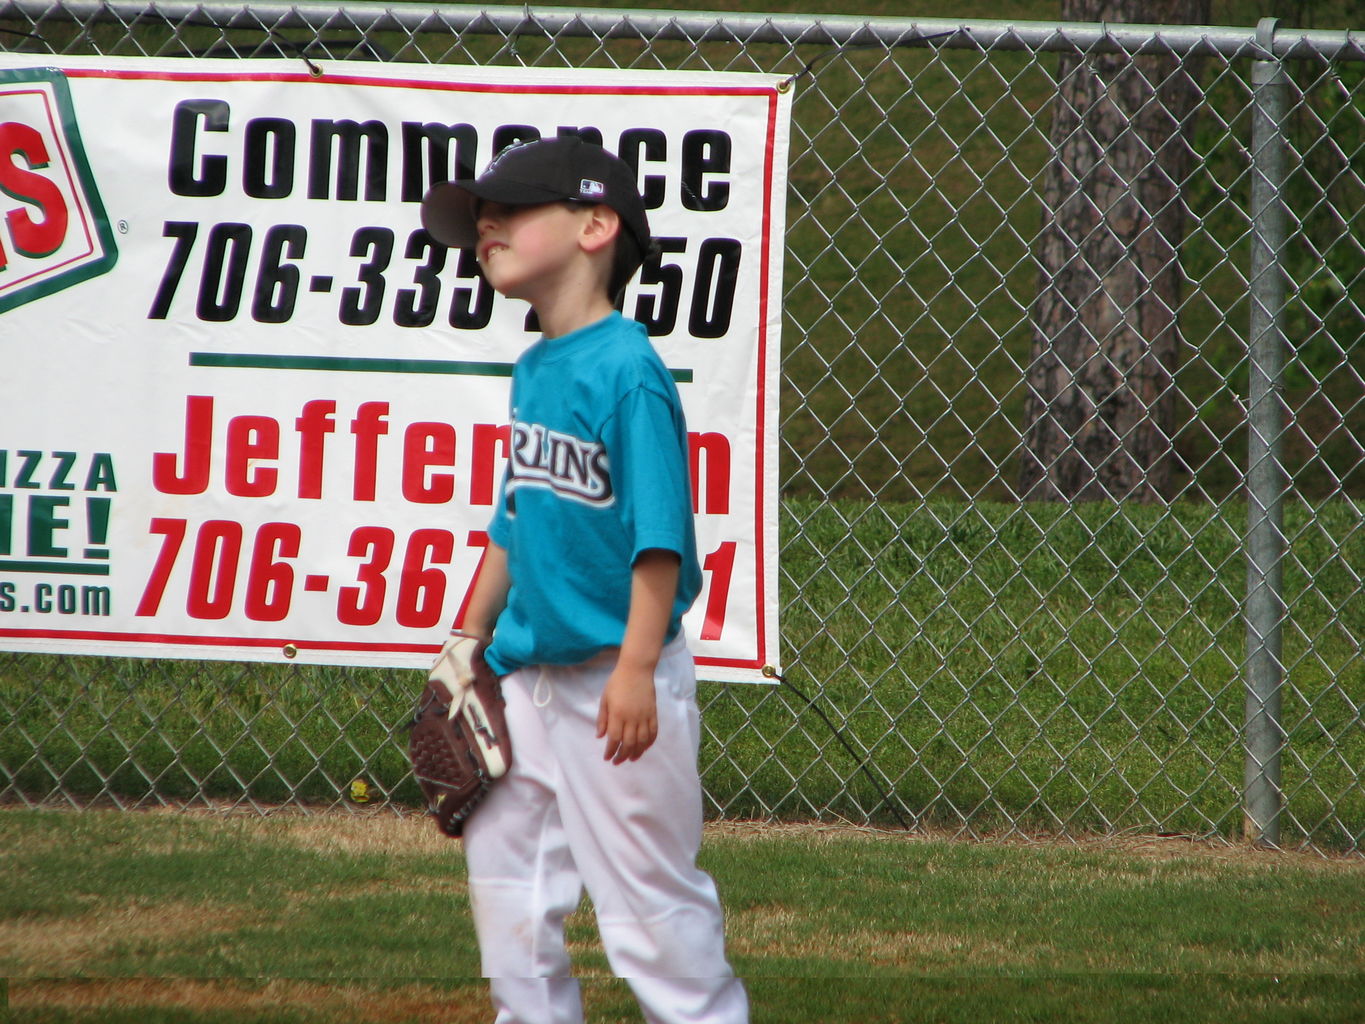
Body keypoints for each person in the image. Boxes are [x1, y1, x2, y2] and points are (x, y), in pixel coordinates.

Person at [420, 136, 749, 1024]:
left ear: (596, 225)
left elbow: (658, 543)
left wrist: (639, 668)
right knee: (506, 882)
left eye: (512, 209)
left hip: (618, 679)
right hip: (528, 677)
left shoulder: (626, 369)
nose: (485, 224)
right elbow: (513, 520)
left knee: (648, 906)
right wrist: (465, 640)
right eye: (479, 216)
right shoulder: (536, 368)